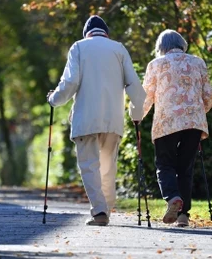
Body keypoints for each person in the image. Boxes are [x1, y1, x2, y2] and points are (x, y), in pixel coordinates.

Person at [47, 15, 146, 226]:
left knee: (89, 166)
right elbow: (135, 87)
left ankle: (100, 211)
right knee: (108, 165)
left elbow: (70, 81)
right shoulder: (118, 49)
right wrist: (136, 113)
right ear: (106, 33)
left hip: (86, 118)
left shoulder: (79, 48)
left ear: (86, 33)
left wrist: (54, 100)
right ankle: (106, 208)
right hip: (113, 119)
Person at [142, 29, 212, 227]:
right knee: (185, 168)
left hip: (167, 122)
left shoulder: (156, 65)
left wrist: (137, 117)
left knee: (164, 164)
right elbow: (209, 96)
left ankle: (173, 197)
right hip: (194, 122)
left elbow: (146, 97)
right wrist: (198, 113)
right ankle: (183, 216)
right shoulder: (197, 62)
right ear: (182, 44)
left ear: (161, 47)